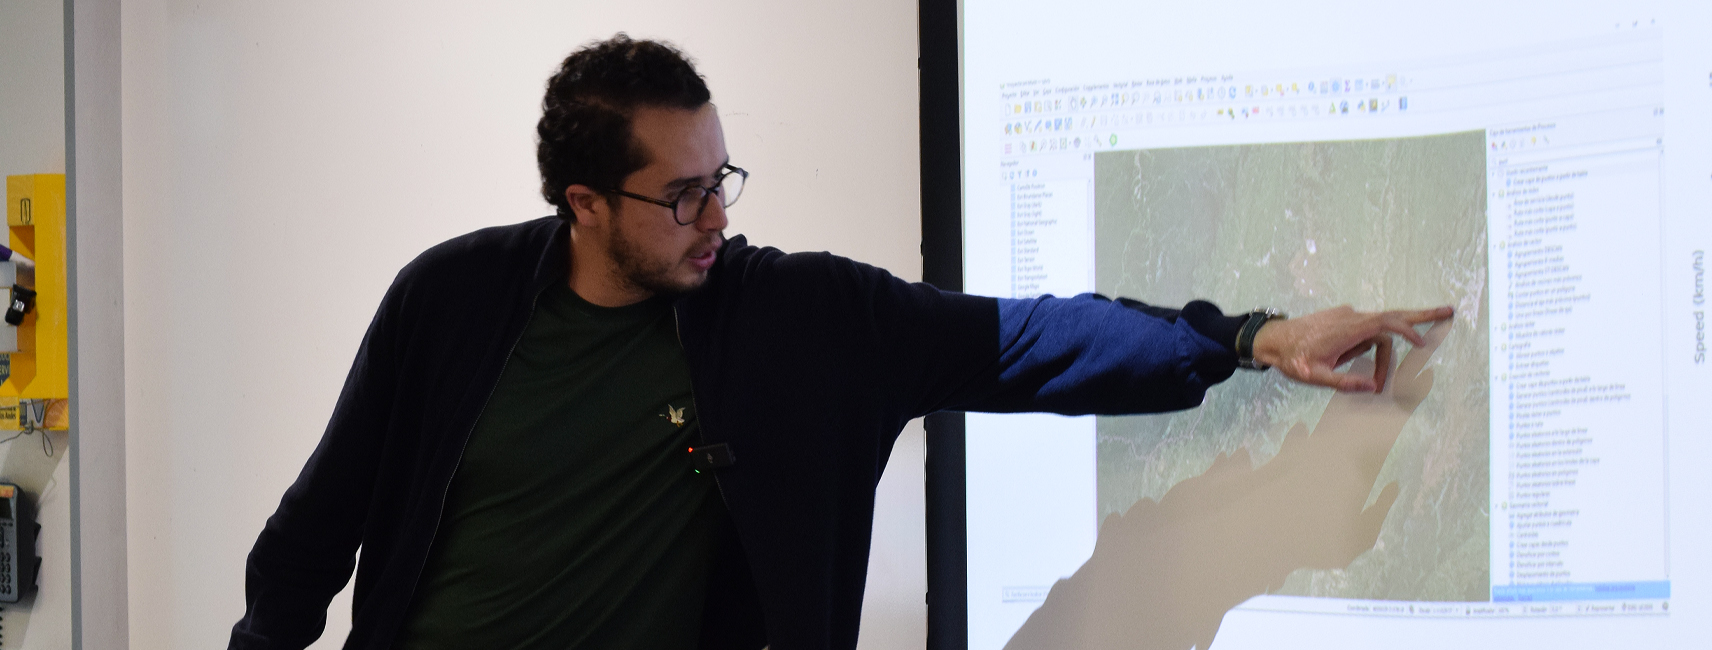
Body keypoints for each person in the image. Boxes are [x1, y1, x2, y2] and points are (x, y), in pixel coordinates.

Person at [229, 35, 1452, 650]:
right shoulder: (450, 300)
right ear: (583, 204)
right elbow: (314, 530)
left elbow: (1026, 341)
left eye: (722, 179)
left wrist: (1252, 335)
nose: (718, 217)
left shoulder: (797, 320)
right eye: (682, 196)